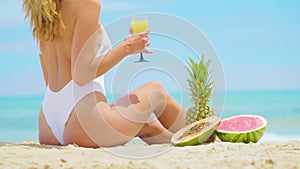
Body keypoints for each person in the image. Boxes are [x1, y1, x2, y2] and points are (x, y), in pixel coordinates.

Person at [23, 0, 186, 148]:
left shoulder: (44, 9)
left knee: (147, 124)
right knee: (156, 91)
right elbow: (81, 74)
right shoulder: (87, 4)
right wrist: (127, 48)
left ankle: (187, 139)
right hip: (82, 121)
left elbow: (49, 79)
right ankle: (205, 130)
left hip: (48, 123)